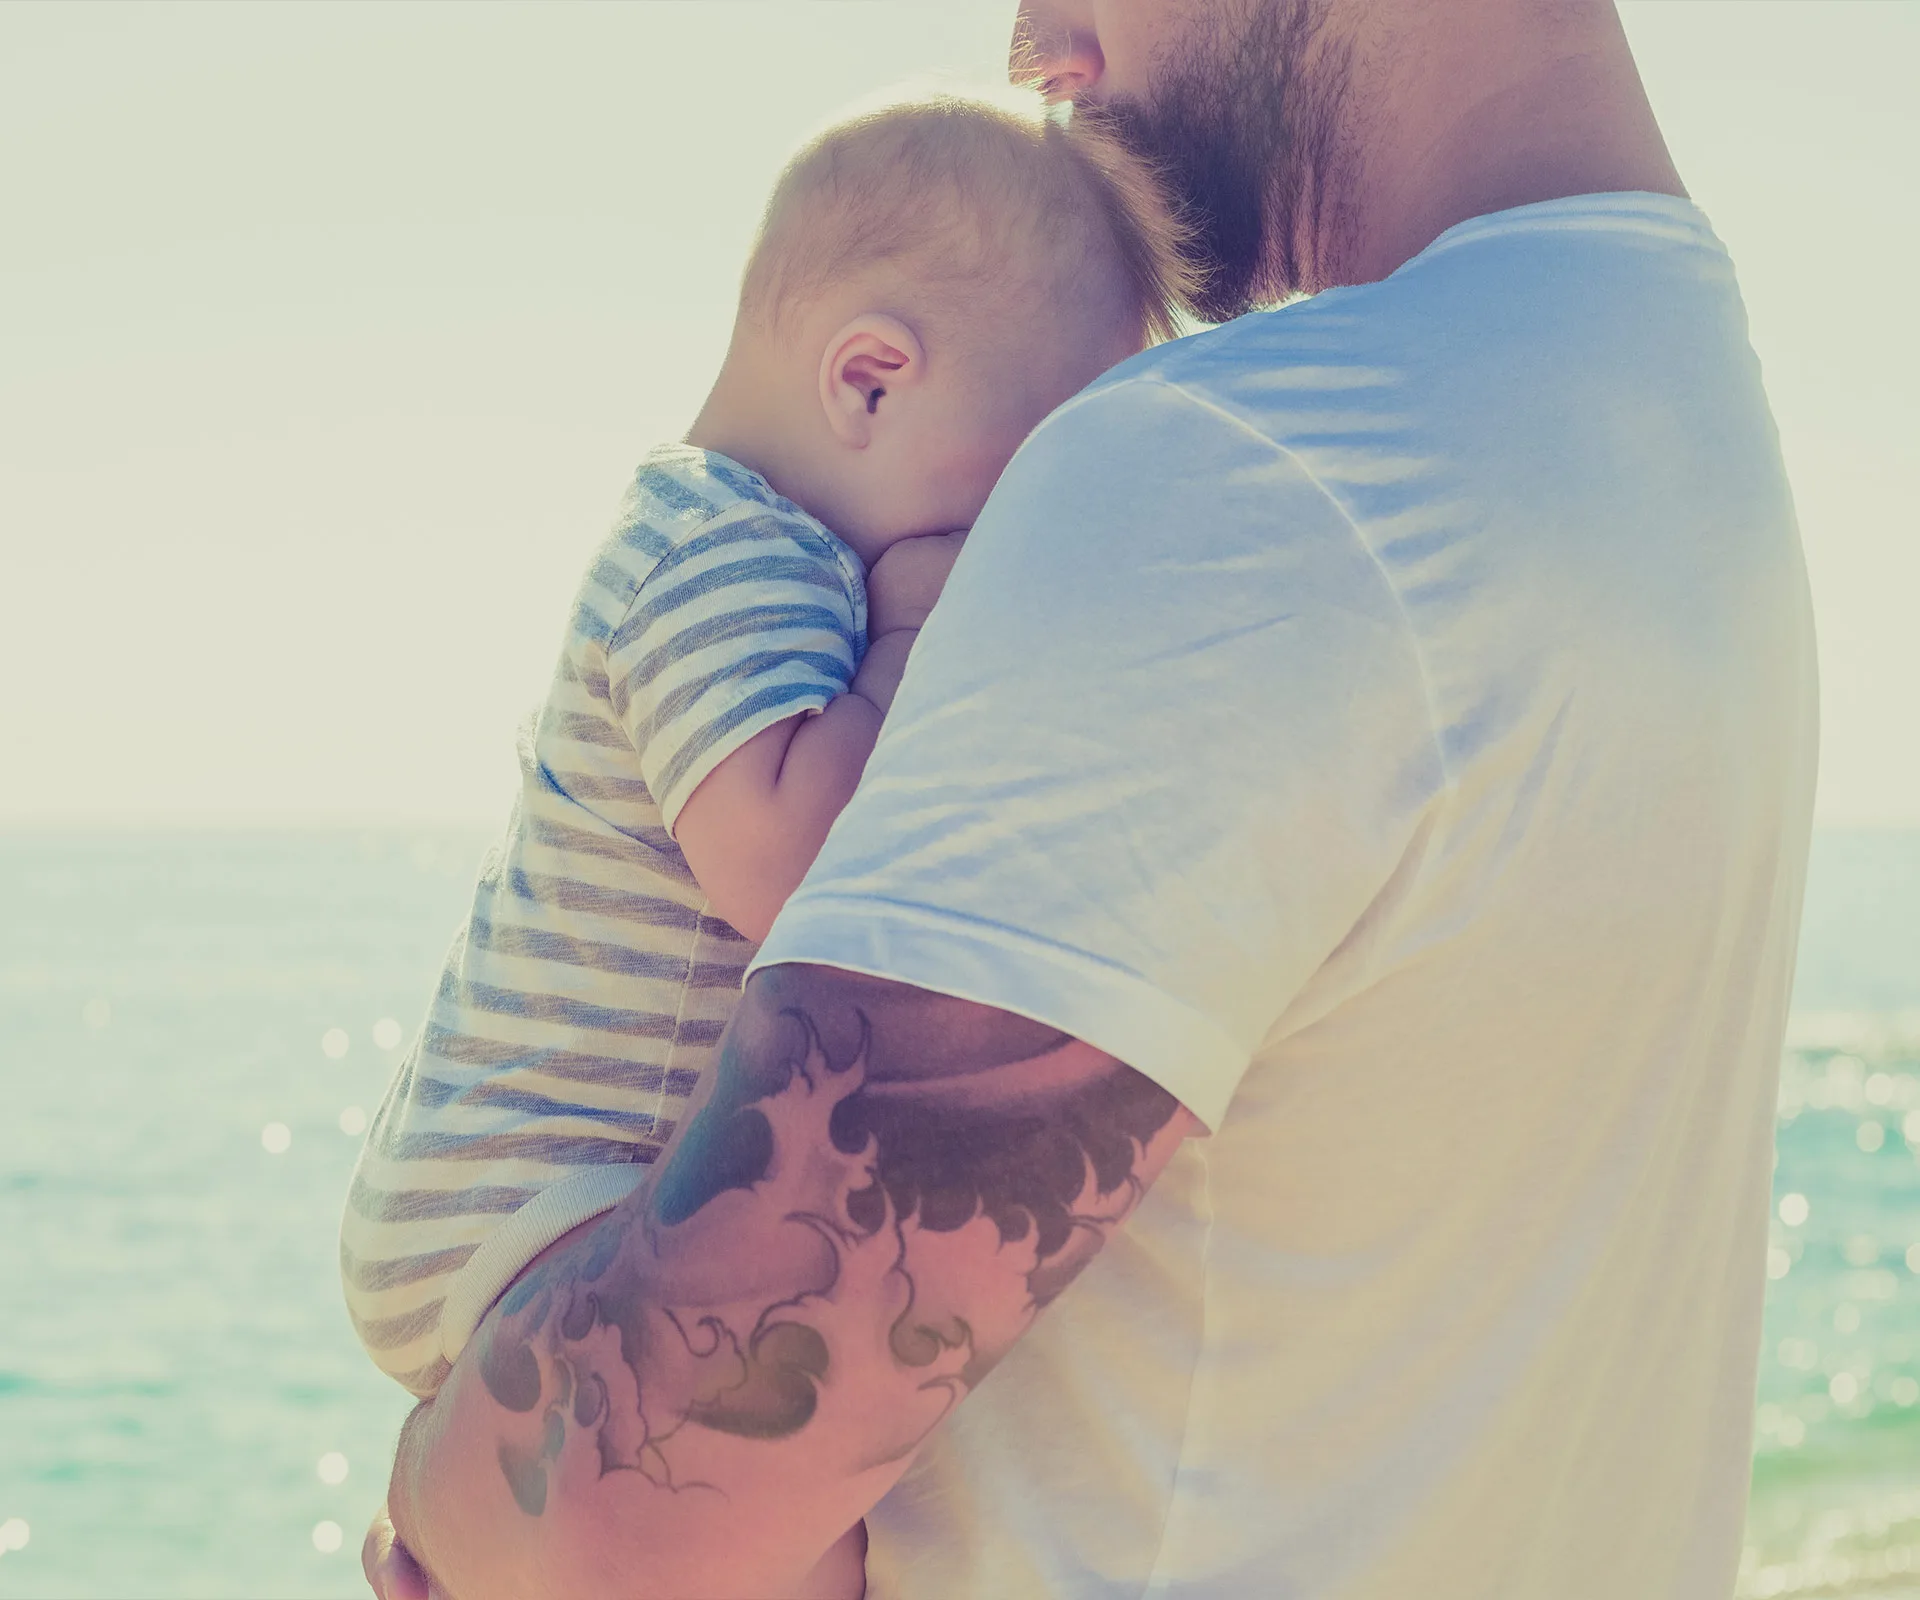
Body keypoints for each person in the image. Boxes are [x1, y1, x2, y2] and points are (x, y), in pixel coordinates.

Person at [367, 1, 1818, 1596]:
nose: (1029, 33)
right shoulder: (1679, 441)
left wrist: (436, 1502)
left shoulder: (1243, 470)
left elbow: (634, 1502)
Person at [342, 79, 1190, 1525]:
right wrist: (924, 627)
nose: (1013, 542)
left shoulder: (752, 549)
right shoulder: (720, 550)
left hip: (546, 1197)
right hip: (524, 1203)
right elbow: (780, 859)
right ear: (868, 380)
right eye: (1011, 493)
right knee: (765, 1522)